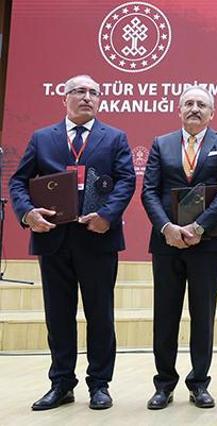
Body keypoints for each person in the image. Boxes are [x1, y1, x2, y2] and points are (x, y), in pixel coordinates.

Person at [9, 74, 136, 411]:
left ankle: (100, 384)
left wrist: (107, 215)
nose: (87, 97)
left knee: (100, 315)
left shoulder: (115, 138)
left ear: (100, 100)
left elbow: (126, 181)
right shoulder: (42, 138)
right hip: (53, 239)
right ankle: (61, 383)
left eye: (94, 92)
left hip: (97, 238)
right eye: (79, 91)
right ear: (63, 98)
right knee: (58, 316)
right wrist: (27, 213)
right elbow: (18, 181)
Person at [141, 85, 217, 410]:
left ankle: (199, 383)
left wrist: (198, 227)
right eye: (189, 103)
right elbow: (149, 191)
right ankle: (164, 384)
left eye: (201, 104)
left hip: (207, 242)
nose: (195, 108)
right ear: (179, 110)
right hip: (167, 242)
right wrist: (167, 228)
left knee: (203, 315)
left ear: (212, 113)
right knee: (165, 315)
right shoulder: (161, 144)